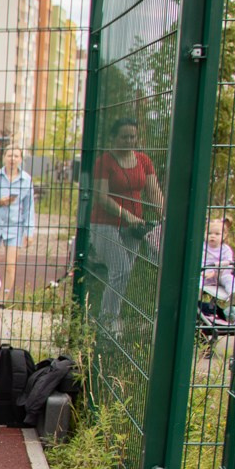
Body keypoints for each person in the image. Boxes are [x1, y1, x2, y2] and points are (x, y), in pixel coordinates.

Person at [91, 118, 165, 325]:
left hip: (134, 227)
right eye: (124, 136)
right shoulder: (104, 162)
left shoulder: (143, 160)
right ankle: (107, 321)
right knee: (120, 270)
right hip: (105, 223)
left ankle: (111, 317)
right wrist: (126, 215)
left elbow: (153, 191)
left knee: (124, 273)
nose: (129, 140)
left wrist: (164, 215)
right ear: (113, 138)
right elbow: (101, 196)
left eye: (133, 136)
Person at [0, 146, 37, 298]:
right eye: (10, 155)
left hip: (14, 226)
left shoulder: (26, 180)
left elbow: (29, 208)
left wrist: (29, 231)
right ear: (4, 157)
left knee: (10, 266)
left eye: (16, 156)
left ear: (20, 159)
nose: (12, 159)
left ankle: (3, 300)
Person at [200, 216, 235, 318]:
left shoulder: (225, 249)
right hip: (205, 274)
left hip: (220, 275)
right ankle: (197, 293)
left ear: (224, 235)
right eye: (209, 233)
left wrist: (215, 272)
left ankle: (233, 294)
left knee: (230, 278)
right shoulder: (202, 247)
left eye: (217, 234)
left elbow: (228, 263)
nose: (212, 236)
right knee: (198, 278)